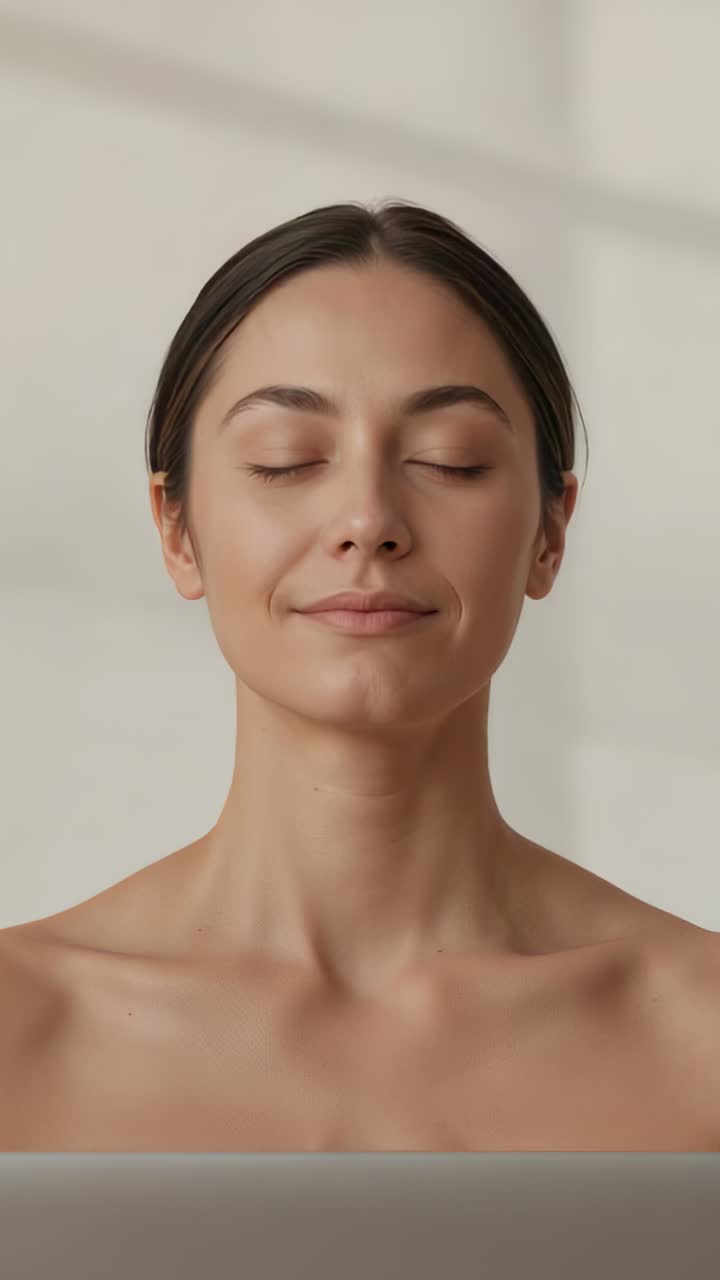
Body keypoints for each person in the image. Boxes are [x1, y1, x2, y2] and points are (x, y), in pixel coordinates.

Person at [4, 200, 718, 1152]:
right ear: (177, 532)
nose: (367, 519)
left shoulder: (699, 1038)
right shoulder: (21, 1031)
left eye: (448, 461)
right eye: (285, 461)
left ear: (551, 532)